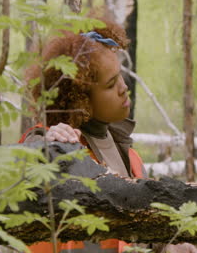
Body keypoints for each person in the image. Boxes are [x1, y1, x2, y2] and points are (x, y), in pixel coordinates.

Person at [20, 19, 146, 253]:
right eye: (110, 84)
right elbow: (27, 159)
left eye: (120, 76)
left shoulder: (131, 157)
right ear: (82, 99)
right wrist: (48, 145)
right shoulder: (61, 143)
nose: (123, 87)